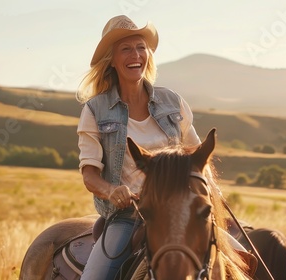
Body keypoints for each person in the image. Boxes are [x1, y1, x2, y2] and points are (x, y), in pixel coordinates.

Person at [76, 15, 201, 279]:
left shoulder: (173, 102)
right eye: (126, 49)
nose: (136, 55)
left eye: (141, 47)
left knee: (243, 261)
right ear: (111, 59)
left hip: (179, 214)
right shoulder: (94, 110)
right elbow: (89, 174)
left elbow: (198, 158)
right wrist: (112, 191)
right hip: (128, 217)